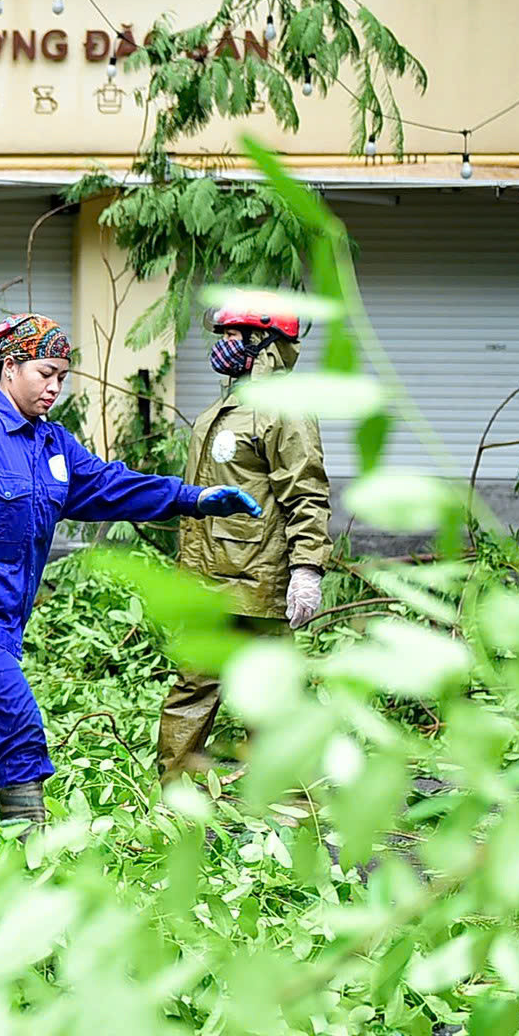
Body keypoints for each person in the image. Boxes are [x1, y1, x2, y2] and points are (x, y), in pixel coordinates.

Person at [0, 313, 264, 826]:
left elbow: (112, 485)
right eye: (45, 373)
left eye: (62, 377)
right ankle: (29, 847)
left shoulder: (53, 447)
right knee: (19, 725)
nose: (54, 387)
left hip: (5, 623)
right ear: (10, 368)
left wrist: (193, 498)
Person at [156, 306, 331, 779]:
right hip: (210, 578)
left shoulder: (284, 410)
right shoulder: (228, 406)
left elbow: (306, 493)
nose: (224, 345)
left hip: (257, 580)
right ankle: (173, 793)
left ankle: (285, 798)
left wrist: (306, 569)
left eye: (234, 335)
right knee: (193, 685)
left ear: (265, 344)